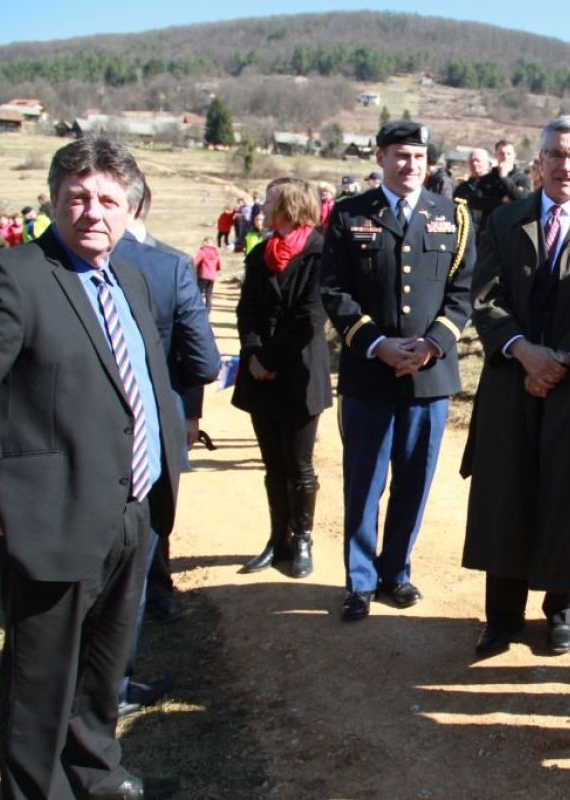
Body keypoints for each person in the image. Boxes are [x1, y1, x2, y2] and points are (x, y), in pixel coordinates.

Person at [0, 137, 184, 799]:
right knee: (41, 680)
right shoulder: (11, 277)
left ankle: (96, 777)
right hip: (49, 514)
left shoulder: (130, 280)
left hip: (132, 509)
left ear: (130, 208)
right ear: (54, 201)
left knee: (103, 670)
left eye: (108, 199)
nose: (93, 212)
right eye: (77, 197)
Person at [461, 115, 570, 658]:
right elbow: (485, 297)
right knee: (506, 494)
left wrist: (559, 361)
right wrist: (523, 352)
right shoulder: (504, 221)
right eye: (557, 155)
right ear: (538, 161)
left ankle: (562, 612)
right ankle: (502, 617)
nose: (567, 166)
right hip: (511, 380)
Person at [321, 120, 475, 621]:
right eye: (400, 155)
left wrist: (433, 345)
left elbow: (463, 292)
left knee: (414, 482)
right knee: (364, 481)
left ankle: (396, 572)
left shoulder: (452, 216)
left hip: (428, 377)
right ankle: (360, 580)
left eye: (418, 157)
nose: (410, 165)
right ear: (381, 158)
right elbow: (334, 290)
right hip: (369, 373)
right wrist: (376, 344)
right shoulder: (350, 214)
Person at [112, 174, 220, 716]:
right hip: (154, 416)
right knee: (146, 532)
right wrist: (191, 411)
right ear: (144, 204)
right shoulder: (169, 265)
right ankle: (115, 680)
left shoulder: (42, 262)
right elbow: (201, 360)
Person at [234, 178, 334, 579]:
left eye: (270, 201)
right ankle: (278, 540)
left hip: (300, 372)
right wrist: (254, 354)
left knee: (299, 464)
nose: (263, 207)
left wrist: (271, 357)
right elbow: (247, 311)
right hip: (261, 373)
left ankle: (303, 540)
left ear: (289, 207)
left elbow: (311, 317)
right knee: (273, 464)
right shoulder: (260, 253)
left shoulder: (322, 253)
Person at [193, 235, 223, 310]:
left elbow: (196, 261)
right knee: (209, 294)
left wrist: (194, 269)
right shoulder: (216, 252)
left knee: (198, 292)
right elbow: (219, 264)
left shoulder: (202, 251)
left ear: (205, 242)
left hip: (203, 275)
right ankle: (208, 309)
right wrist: (216, 269)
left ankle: (198, 308)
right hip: (212, 276)